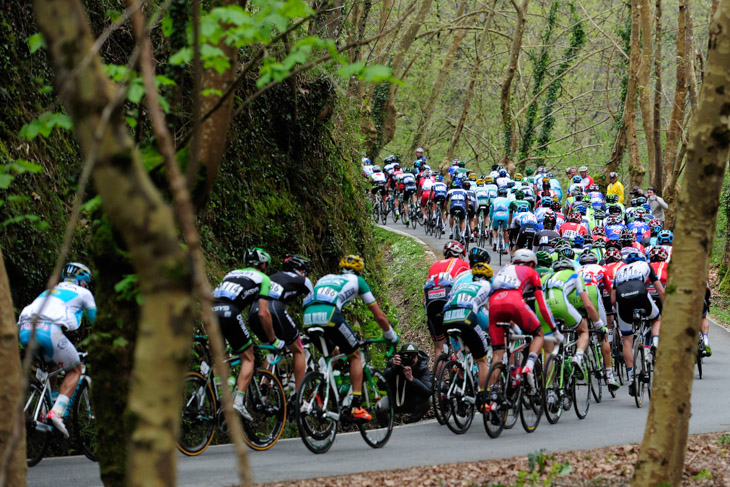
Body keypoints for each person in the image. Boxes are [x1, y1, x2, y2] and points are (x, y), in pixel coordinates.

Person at [303, 255, 398, 421]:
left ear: (339, 270)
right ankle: (355, 405)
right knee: (354, 355)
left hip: (308, 317)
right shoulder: (358, 281)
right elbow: (379, 316)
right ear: (359, 272)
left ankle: (319, 392)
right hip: (330, 315)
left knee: (333, 355)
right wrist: (391, 335)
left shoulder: (325, 278)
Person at [17, 262, 97, 437]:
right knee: (75, 369)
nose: (86, 286)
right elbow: (98, 322)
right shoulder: (84, 293)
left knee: (53, 367)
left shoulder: (50, 291)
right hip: (48, 331)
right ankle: (56, 413)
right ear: (82, 281)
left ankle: (44, 411)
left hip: (24, 330)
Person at [213, 247, 280, 421]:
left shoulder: (232, 273)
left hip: (210, 311)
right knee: (248, 358)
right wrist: (273, 340)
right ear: (264, 264)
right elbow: (263, 313)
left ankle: (222, 398)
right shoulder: (263, 279)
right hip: (230, 312)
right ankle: (239, 402)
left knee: (222, 356)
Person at [487, 250, 564, 398]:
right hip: (514, 302)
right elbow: (542, 306)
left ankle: (494, 393)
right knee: (539, 334)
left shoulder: (504, 269)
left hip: (494, 305)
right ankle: (528, 366)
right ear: (531, 263)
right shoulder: (530, 271)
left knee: (498, 353)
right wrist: (554, 330)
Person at [248, 254, 313, 390]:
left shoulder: (273, 277)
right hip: (273, 308)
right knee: (299, 350)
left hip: (253, 311)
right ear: (301, 271)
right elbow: (312, 305)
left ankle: (263, 388)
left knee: (272, 348)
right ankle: (298, 396)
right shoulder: (303, 281)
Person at [612, 251, 664, 396]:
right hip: (640, 291)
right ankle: (655, 342)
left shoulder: (619, 271)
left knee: (627, 340)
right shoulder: (646, 265)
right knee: (656, 319)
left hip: (622, 297)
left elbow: (612, 300)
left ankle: (631, 378)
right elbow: (660, 290)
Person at [442, 261, 494, 405]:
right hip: (465, 317)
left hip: (447, 318)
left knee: (465, 347)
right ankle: (484, 397)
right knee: (482, 358)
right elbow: (491, 312)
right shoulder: (487, 286)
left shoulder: (462, 285)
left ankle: (459, 374)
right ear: (489, 279)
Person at [423, 240, 471, 369]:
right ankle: (459, 373)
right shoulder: (464, 264)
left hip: (431, 300)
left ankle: (439, 384)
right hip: (448, 298)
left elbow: (424, 294)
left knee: (439, 347)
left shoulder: (435, 265)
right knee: (459, 337)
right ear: (460, 254)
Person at [382, 342, 432, 423]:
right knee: (380, 406)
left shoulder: (422, 367)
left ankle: (412, 421)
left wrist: (412, 379)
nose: (410, 359)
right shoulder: (394, 364)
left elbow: (428, 392)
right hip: (394, 400)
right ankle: (387, 429)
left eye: (413, 356)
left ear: (418, 357)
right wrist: (393, 369)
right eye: (407, 356)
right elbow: (381, 385)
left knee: (428, 400)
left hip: (413, 401)